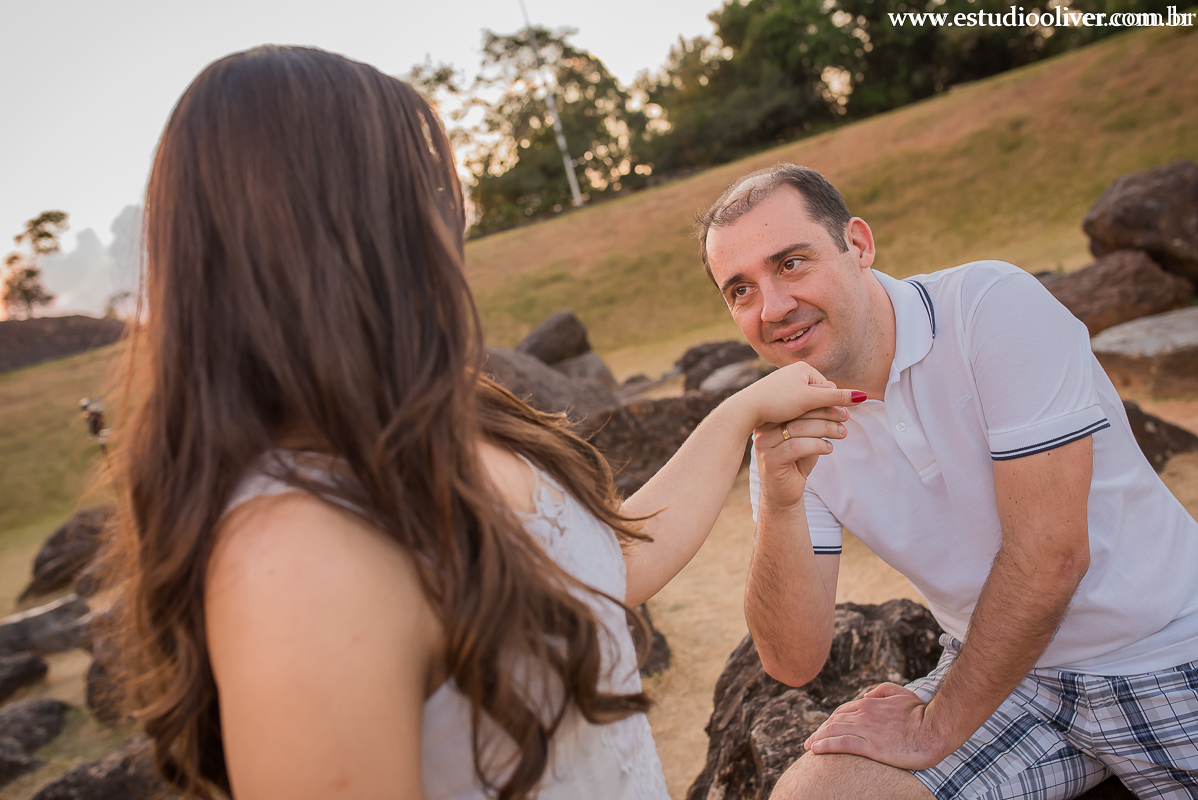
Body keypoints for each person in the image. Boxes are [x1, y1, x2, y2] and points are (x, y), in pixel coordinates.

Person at [105, 48, 863, 800]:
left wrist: (740, 413)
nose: (453, 217)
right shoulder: (293, 551)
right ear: (340, 226)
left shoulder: (444, 414)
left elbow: (605, 573)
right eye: (424, 186)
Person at [696, 162, 1198, 800]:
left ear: (857, 244)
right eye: (740, 290)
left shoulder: (989, 308)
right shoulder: (788, 425)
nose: (773, 307)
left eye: (791, 262)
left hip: (1167, 652)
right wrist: (782, 503)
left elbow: (1051, 556)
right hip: (1009, 683)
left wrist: (933, 727)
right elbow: (793, 661)